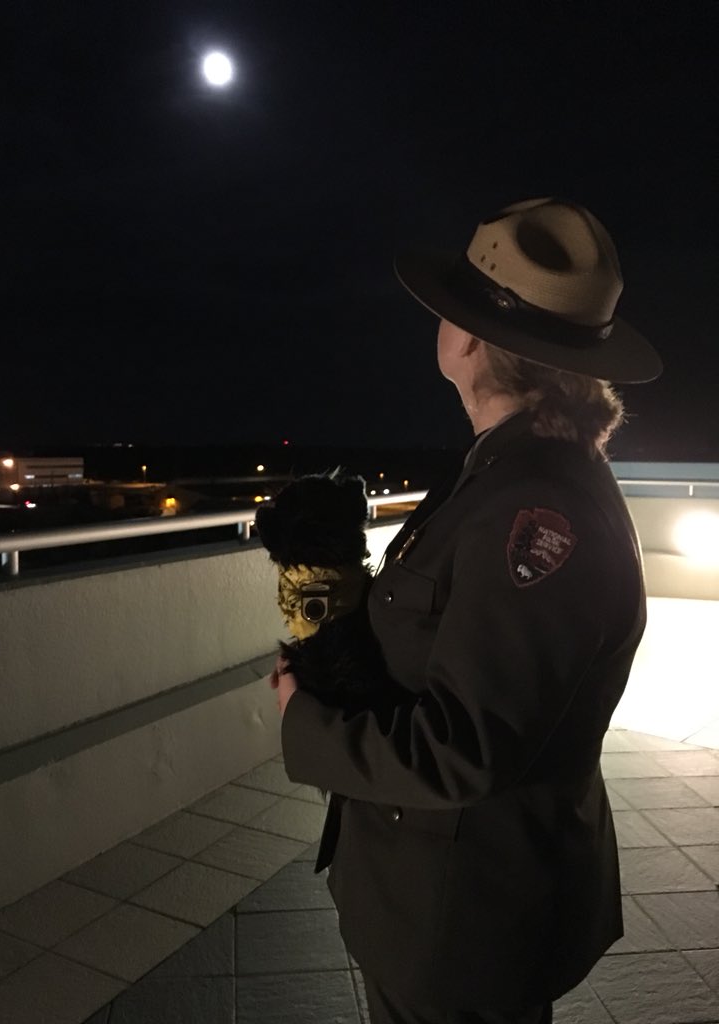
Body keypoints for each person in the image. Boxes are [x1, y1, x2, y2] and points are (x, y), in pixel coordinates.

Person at [270, 197, 662, 1024]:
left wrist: (305, 718)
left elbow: (463, 749)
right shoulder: (504, 473)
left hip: (464, 920)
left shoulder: (536, 510)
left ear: (474, 341)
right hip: (446, 901)